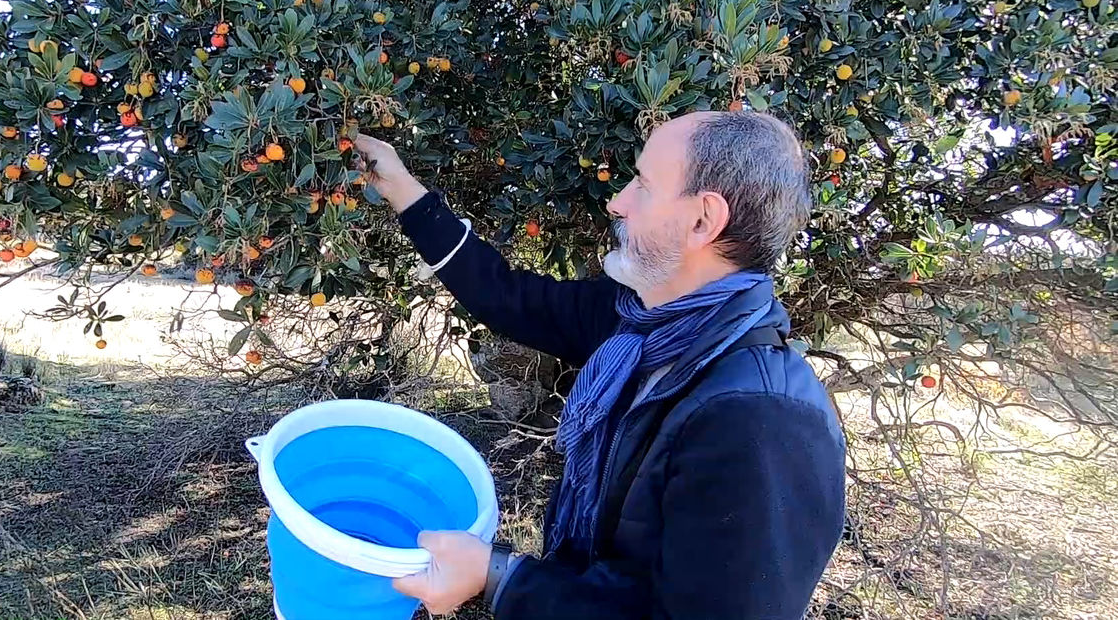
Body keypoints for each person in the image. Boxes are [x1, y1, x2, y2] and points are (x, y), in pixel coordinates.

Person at [352, 111, 846, 620]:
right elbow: (506, 297)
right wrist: (404, 189)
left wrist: (498, 578)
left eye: (644, 185)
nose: (618, 201)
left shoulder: (760, 419)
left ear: (703, 220)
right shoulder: (636, 320)